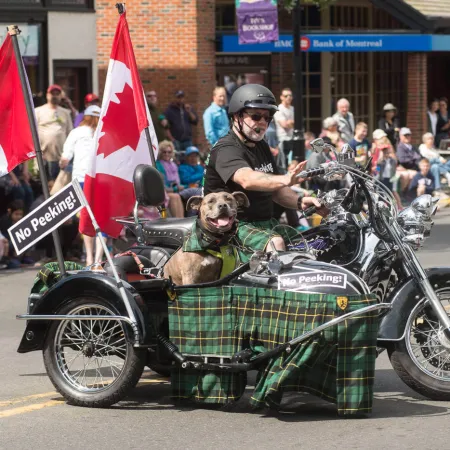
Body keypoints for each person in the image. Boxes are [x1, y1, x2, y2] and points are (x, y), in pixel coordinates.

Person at [203, 84, 324, 260]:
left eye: (267, 118)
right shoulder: (226, 148)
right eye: (256, 116)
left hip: (264, 223)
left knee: (312, 243)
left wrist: (301, 202)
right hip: (232, 225)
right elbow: (247, 179)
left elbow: (275, 190)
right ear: (237, 116)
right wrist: (285, 178)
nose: (262, 122)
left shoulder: (261, 146)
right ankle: (274, 288)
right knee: (276, 244)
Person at [59, 105, 103, 266]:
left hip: (85, 179)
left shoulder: (79, 132)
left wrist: (64, 161)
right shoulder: (100, 131)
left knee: (88, 218)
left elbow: (65, 156)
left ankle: (92, 258)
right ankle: (95, 259)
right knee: (96, 218)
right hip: (96, 180)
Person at [35, 84, 73, 180]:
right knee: (45, 186)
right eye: (53, 94)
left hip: (62, 157)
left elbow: (70, 133)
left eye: (57, 94)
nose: (55, 96)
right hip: (44, 156)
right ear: (47, 95)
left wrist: (69, 154)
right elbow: (32, 134)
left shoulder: (66, 112)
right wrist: (37, 152)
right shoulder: (38, 111)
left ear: (60, 96)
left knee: (59, 187)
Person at [155, 140, 185, 218]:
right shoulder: (158, 165)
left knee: (179, 196)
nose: (167, 154)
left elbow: (178, 182)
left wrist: (180, 187)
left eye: (169, 152)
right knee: (175, 196)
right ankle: (178, 223)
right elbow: (162, 186)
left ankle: (182, 221)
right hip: (163, 192)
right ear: (160, 153)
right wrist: (175, 188)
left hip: (175, 190)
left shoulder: (173, 165)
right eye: (164, 152)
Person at [273, 87, 295, 172]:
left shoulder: (293, 109)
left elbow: (299, 122)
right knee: (284, 164)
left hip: (292, 138)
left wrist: (290, 122)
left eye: (290, 95)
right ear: (281, 97)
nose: (288, 97)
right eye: (286, 96)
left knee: (293, 163)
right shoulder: (279, 109)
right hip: (283, 140)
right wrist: (291, 123)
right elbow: (284, 124)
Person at [396, 127, 421, 193]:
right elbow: (403, 160)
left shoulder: (413, 147)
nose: (407, 137)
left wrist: (415, 158)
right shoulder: (400, 147)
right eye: (405, 135)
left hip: (416, 168)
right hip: (406, 168)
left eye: (408, 135)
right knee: (414, 174)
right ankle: (406, 194)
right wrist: (414, 158)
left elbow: (420, 157)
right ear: (401, 136)